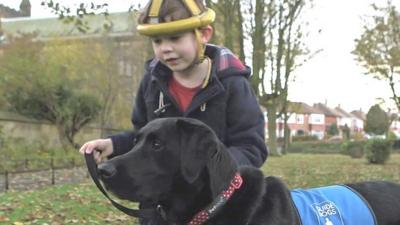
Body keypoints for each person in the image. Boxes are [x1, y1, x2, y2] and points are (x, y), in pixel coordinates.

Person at [79, 0, 268, 224]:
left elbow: (251, 146)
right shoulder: (151, 83)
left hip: (215, 209)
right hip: (159, 209)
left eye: (176, 37)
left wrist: (210, 167)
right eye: (157, 41)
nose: (165, 48)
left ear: (204, 34)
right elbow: (144, 137)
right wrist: (113, 144)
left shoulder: (232, 84)